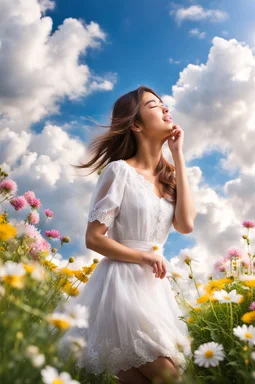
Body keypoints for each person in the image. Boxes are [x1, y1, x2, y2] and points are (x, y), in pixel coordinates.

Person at [58, 85, 196, 383]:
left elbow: (186, 225)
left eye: (164, 104)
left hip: (154, 289)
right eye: (153, 105)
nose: (165, 109)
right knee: (168, 377)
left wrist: (178, 155)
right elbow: (93, 238)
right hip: (121, 286)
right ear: (135, 124)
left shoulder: (170, 178)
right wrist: (143, 256)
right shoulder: (119, 172)